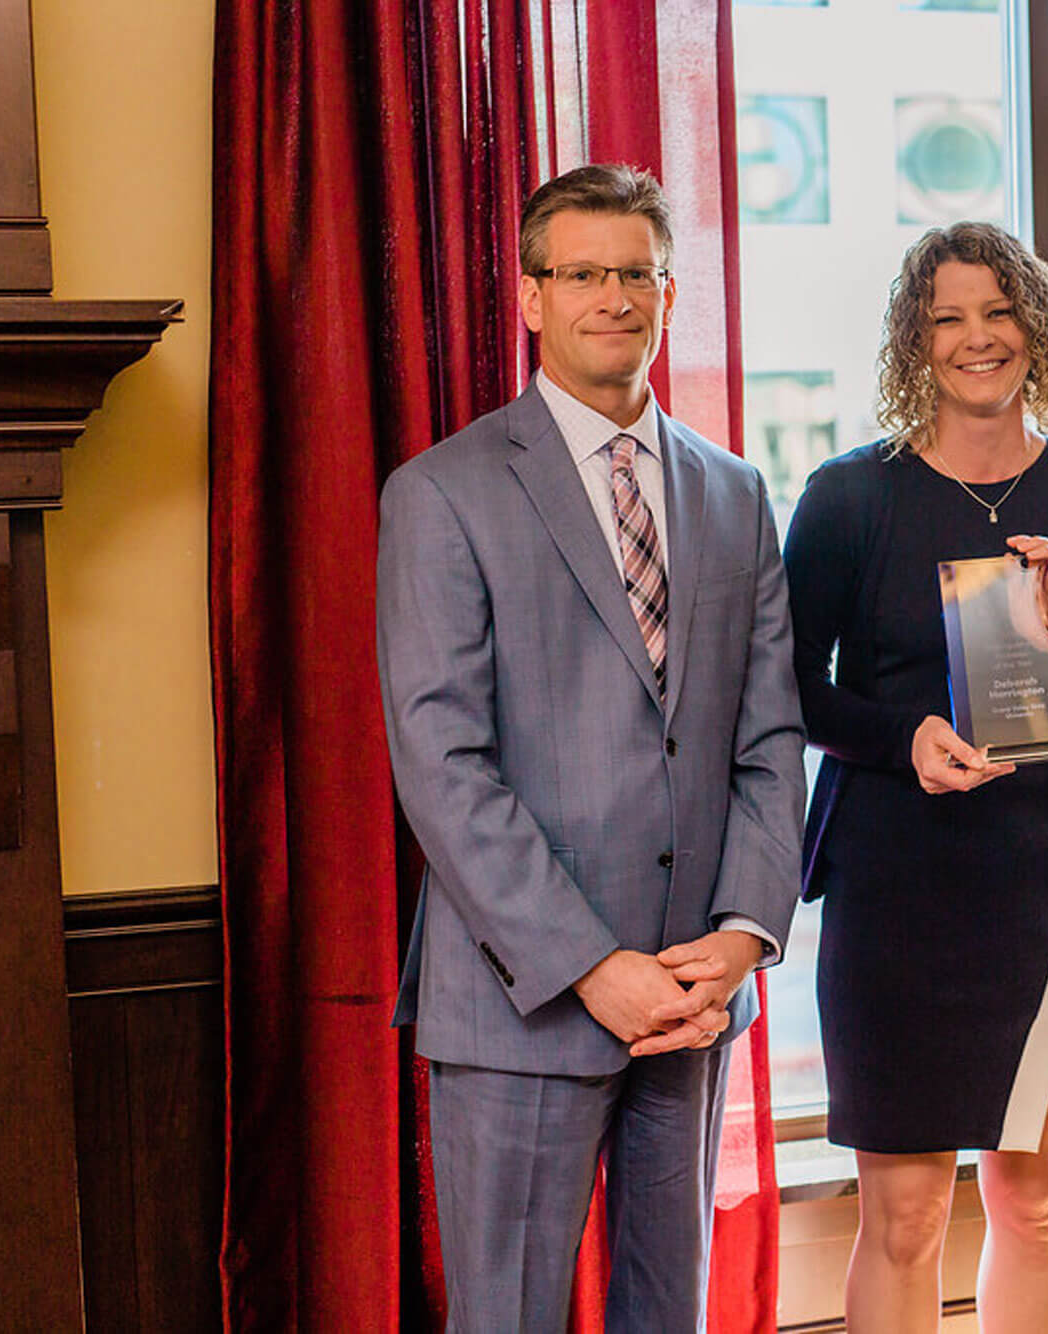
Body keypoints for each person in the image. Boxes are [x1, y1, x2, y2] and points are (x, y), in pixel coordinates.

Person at [376, 163, 805, 1330]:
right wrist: (590, 964)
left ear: (669, 292)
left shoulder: (733, 491)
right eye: (583, 274)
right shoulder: (442, 492)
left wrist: (740, 931)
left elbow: (769, 734)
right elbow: (441, 764)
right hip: (526, 999)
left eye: (637, 273)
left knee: (671, 1313)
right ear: (529, 297)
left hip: (694, 997)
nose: (612, 297)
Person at [783, 221, 1048, 1331]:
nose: (975, 337)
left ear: (1035, 329)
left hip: (1041, 886)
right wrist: (898, 737)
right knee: (900, 1216)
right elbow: (789, 688)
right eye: (946, 316)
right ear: (915, 339)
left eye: (997, 311)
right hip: (893, 883)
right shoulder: (851, 496)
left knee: (1034, 1201)